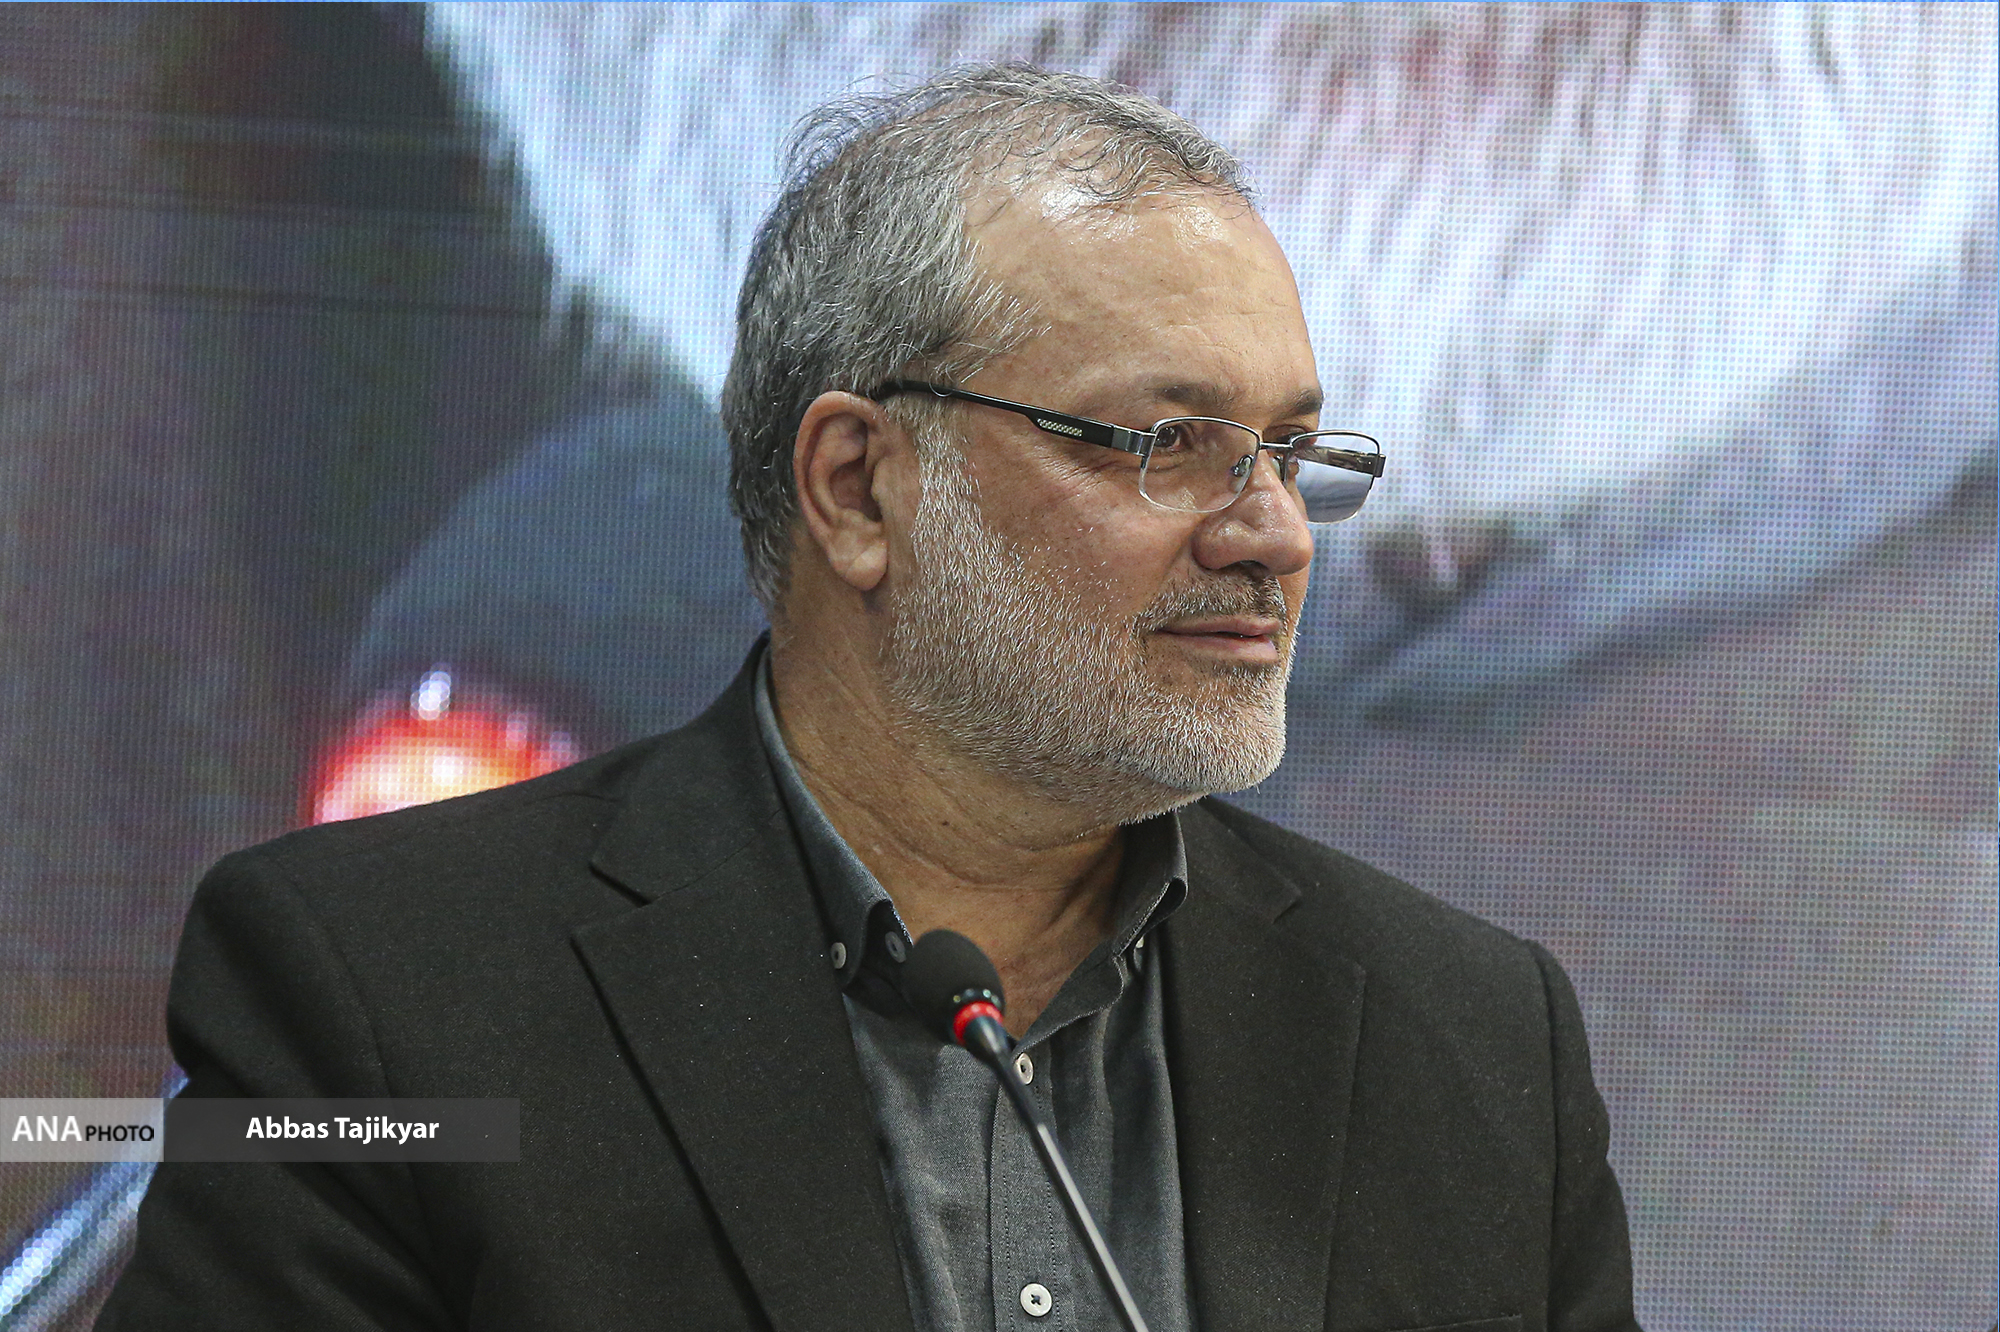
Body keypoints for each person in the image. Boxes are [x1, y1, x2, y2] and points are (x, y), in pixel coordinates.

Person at [99, 66, 1639, 1332]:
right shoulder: (386, 992)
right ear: (858, 485)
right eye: (1159, 443)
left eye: (1295, 453)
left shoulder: (1478, 1034)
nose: (1275, 533)